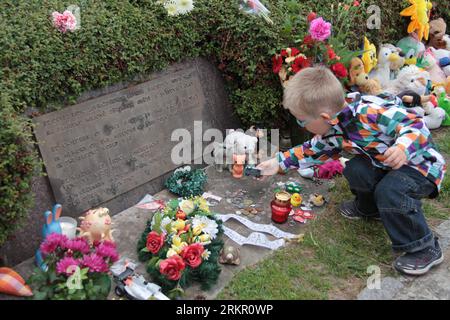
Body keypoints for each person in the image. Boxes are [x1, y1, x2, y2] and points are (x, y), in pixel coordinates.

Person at [257, 66, 447, 275]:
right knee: (355, 169)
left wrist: (402, 147)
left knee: (391, 190)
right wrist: (278, 162)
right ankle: (370, 208)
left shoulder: (369, 112)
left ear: (324, 116)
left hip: (419, 165)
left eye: (301, 120)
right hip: (384, 164)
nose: (300, 125)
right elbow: (311, 149)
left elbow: (415, 124)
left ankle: (424, 246)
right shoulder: (334, 129)